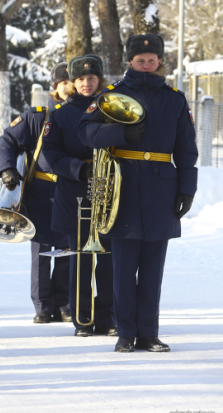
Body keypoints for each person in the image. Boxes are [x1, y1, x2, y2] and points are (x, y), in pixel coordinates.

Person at [78, 34, 197, 352]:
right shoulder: (112, 95)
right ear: (130, 62)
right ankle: (125, 333)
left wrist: (187, 188)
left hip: (162, 189)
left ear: (160, 61)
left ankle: (148, 333)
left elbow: (187, 149)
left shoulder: (175, 99)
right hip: (123, 190)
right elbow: (86, 132)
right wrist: (120, 133)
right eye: (140, 60)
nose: (146, 65)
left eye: (151, 60)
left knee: (153, 270)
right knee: (123, 269)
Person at [42, 56, 116, 337]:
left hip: (110, 191)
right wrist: (79, 169)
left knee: (109, 259)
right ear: (73, 82)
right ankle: (82, 317)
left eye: (92, 78)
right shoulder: (60, 114)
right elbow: (50, 153)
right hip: (75, 192)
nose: (87, 83)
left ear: (100, 80)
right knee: (80, 260)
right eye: (81, 79)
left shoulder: (113, 107)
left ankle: (107, 317)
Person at [0, 62, 71, 324]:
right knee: (41, 250)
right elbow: (7, 140)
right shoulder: (36, 116)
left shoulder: (84, 115)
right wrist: (7, 169)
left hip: (70, 189)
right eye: (63, 83)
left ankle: (65, 303)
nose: (69, 88)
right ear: (55, 87)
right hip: (40, 190)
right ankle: (42, 305)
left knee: (68, 248)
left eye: (72, 82)